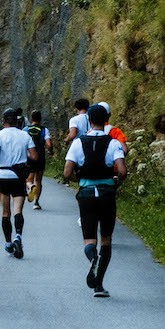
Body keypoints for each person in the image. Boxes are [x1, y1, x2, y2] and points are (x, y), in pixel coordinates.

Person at [63, 102, 127, 297]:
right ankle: (99, 286)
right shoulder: (113, 142)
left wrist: (79, 179)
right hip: (106, 193)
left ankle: (92, 258)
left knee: (89, 240)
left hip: (86, 194)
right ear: (106, 120)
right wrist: (115, 182)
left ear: (89, 121)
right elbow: (122, 170)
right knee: (106, 239)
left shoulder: (78, 142)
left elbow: (67, 172)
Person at [0, 107, 38, 258]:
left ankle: (8, 243)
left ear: (3, 121)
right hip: (18, 176)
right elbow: (35, 156)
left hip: (3, 175)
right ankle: (18, 236)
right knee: (18, 210)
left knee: (6, 212)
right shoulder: (24, 135)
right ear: (17, 121)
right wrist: (25, 155)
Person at [25, 110, 52, 208]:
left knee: (29, 178)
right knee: (39, 180)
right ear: (40, 119)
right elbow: (48, 144)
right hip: (40, 155)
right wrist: (50, 150)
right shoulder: (44, 130)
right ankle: (36, 202)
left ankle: (31, 186)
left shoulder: (25, 129)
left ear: (31, 119)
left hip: (29, 155)